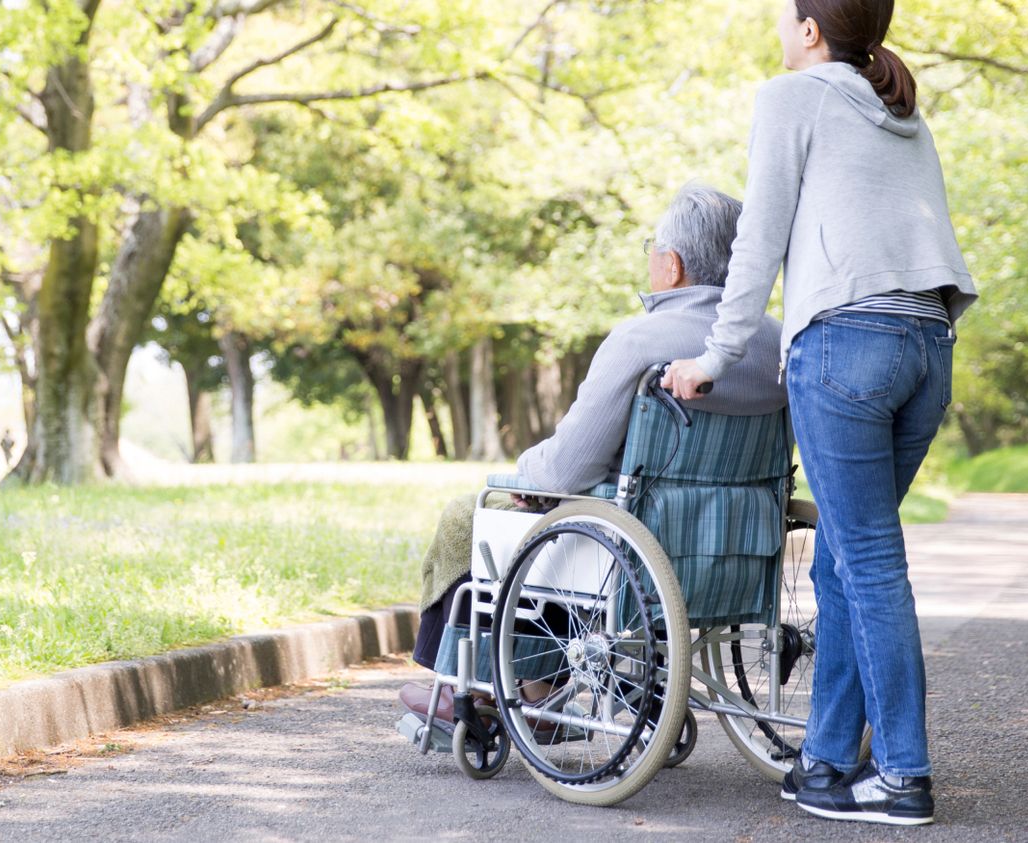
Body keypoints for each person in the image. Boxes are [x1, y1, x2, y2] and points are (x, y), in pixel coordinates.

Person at [664, 0, 978, 827]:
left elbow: (756, 242)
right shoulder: (898, 106)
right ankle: (829, 761)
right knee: (844, 557)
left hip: (846, 345)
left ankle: (904, 773)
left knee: (869, 561)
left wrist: (712, 359)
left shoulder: (792, 96)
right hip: (927, 344)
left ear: (811, 30)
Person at [398, 183, 787, 722]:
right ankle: (534, 687)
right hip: (734, 545)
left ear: (671, 266)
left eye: (652, 248)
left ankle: (470, 686)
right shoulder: (779, 346)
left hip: (633, 546)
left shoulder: (640, 340)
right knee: (568, 520)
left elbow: (566, 468)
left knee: (476, 515)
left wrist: (523, 474)